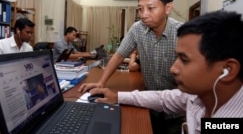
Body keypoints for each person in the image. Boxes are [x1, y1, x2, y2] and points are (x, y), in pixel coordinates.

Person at [88, 10, 243, 134]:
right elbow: (163, 98)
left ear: (227, 70)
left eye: (185, 59)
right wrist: (117, 96)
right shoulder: (196, 95)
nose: (173, 69)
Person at [78, 0, 184, 133]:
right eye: (140, 9)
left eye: (150, 8)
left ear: (168, 8)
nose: (143, 14)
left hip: (177, 110)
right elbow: (119, 55)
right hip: (149, 104)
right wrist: (101, 82)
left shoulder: (183, 32)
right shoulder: (137, 29)